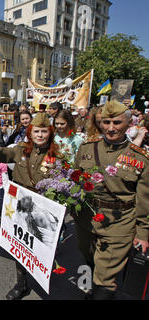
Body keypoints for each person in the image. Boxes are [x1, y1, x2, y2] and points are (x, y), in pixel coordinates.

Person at [74, 100, 149, 300]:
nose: (111, 128)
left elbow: (144, 200)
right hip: (86, 218)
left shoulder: (139, 158)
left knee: (105, 277)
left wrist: (143, 233)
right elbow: (74, 181)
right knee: (89, 259)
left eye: (116, 122)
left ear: (128, 123)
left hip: (119, 222)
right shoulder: (87, 148)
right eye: (106, 122)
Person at [0, 112, 60, 300]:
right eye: (36, 131)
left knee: (41, 248)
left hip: (43, 209)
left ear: (50, 133)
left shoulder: (57, 155)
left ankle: (43, 275)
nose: (39, 135)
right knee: (20, 246)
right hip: (21, 205)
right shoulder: (21, 149)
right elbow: (2, 154)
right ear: (30, 132)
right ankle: (21, 283)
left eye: (44, 131)